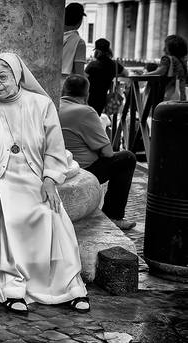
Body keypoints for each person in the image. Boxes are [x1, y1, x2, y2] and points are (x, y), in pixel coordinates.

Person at [0, 53, 89, 315]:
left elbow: (55, 149)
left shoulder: (41, 105)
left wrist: (50, 179)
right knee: (2, 210)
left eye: (3, 77)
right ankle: (12, 285)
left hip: (34, 176)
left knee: (52, 213)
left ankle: (70, 286)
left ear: (18, 77)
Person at [59, 75, 136, 230]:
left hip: (61, 166)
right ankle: (114, 215)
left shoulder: (56, 105)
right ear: (87, 94)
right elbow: (108, 153)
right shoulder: (86, 111)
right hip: (83, 169)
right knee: (127, 158)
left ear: (63, 90)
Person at [85, 38, 129, 116]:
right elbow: (126, 73)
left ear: (97, 51)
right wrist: (114, 75)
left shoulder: (92, 65)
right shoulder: (114, 65)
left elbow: (84, 77)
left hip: (89, 97)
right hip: (102, 98)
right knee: (97, 117)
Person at [143, 34, 187, 101]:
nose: (163, 49)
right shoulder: (182, 61)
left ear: (171, 48)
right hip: (181, 93)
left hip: (168, 93)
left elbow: (160, 71)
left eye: (165, 47)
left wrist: (146, 74)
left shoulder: (166, 59)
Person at [62, 3, 87, 84]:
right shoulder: (79, 42)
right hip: (67, 86)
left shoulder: (54, 35)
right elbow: (79, 74)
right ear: (80, 21)